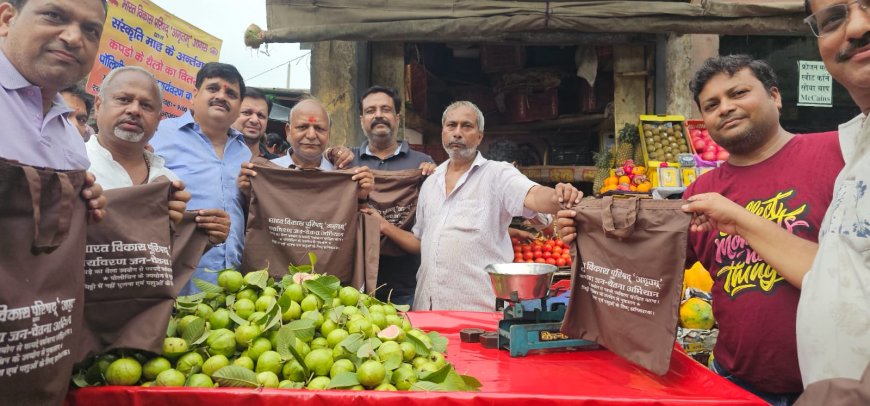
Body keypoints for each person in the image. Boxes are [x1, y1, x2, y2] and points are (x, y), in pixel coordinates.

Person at [683, 2, 870, 389]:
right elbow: (653, 260)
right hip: (736, 381)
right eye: (712, 105)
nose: (727, 108)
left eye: (739, 93)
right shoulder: (701, 191)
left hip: (833, 387)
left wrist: (737, 218)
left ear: (775, 96)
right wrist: (590, 227)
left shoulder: (843, 152)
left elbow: (848, 274)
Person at [363, 101, 582, 312]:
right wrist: (383, 226)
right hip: (428, 310)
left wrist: (558, 196)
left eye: (466, 126)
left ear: (479, 136)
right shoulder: (431, 183)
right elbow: (421, 242)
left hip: (478, 313)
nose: (457, 132)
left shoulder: (497, 174)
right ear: (443, 133)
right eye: (451, 125)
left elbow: (533, 196)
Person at [84, 67, 232, 247]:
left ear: (158, 120)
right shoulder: (73, 166)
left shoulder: (169, 183)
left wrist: (206, 237)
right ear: (98, 106)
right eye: (124, 100)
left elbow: (167, 257)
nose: (134, 110)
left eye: (146, 105)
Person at [0, 0, 107, 221]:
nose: (74, 38)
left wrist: (85, 206)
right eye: (54, 16)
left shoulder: (73, 141)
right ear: (6, 19)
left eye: (91, 30)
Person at [150, 62, 244, 294]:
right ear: (194, 96)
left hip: (233, 285)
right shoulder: (159, 135)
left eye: (231, 93)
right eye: (213, 89)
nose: (222, 96)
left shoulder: (245, 151)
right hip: (174, 278)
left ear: (239, 106)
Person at [351, 85, 436, 306]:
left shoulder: (422, 164)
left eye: (385, 109)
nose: (378, 115)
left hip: (406, 283)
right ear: (362, 120)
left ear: (397, 118)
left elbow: (430, 231)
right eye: (370, 111)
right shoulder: (347, 162)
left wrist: (432, 174)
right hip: (354, 284)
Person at [237, 98, 374, 199]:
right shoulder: (267, 172)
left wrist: (361, 197)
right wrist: (249, 195)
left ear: (329, 134)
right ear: (288, 131)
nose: (311, 135)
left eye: (319, 128)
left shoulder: (342, 176)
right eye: (302, 127)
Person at [232, 87, 277, 159]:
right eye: (247, 113)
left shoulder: (276, 165)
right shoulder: (211, 158)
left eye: (260, 115)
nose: (255, 120)